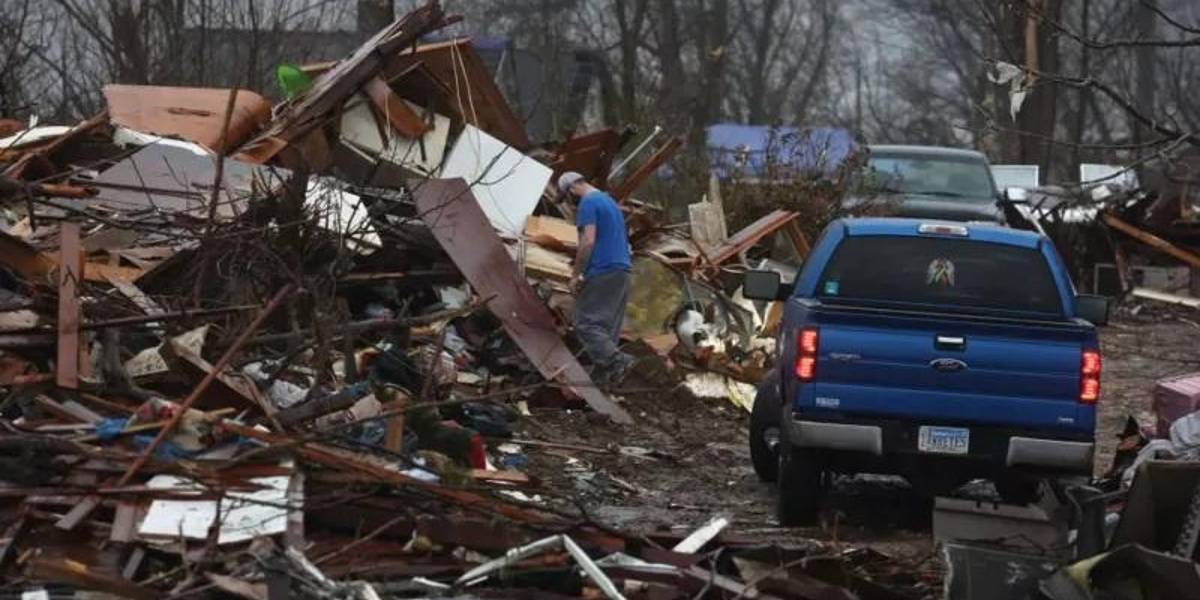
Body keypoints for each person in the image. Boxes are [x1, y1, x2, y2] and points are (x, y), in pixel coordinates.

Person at [558, 171, 634, 387]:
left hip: (603, 270)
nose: (570, 204)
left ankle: (622, 362)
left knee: (585, 323)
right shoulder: (610, 203)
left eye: (567, 197)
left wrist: (576, 275)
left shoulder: (588, 204)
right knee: (607, 333)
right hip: (623, 272)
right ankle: (602, 386)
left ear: (572, 188)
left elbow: (588, 242)